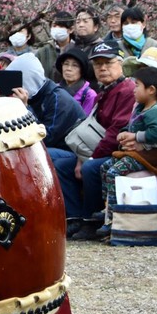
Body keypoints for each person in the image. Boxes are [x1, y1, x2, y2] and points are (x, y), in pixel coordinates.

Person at [63, 41, 136, 240]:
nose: (102, 68)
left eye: (108, 63)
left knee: (90, 168)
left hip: (122, 150)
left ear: (120, 64)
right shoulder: (104, 91)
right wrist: (80, 156)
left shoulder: (127, 90)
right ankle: (74, 217)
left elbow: (116, 132)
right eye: (97, 64)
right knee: (61, 162)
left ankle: (91, 221)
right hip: (97, 148)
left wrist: (91, 157)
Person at [96, 62, 157, 233]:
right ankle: (107, 205)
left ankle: (114, 216)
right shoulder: (139, 107)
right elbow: (131, 125)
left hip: (149, 155)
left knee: (113, 172)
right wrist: (124, 133)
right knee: (104, 167)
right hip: (134, 152)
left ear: (151, 90)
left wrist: (135, 137)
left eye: (137, 86)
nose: (133, 89)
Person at [2, 53, 84, 150]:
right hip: (51, 145)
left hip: (68, 150)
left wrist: (25, 109)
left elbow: (45, 139)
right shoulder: (33, 94)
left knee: (35, 154)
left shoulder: (59, 99)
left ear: (28, 79)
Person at [35, 10, 75, 81]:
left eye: (61, 26)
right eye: (54, 26)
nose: (57, 28)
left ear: (71, 29)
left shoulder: (77, 50)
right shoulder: (43, 52)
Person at [57, 49, 97, 115]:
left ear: (82, 70)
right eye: (66, 64)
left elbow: (84, 120)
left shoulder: (89, 94)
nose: (69, 69)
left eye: (75, 65)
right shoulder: (55, 88)